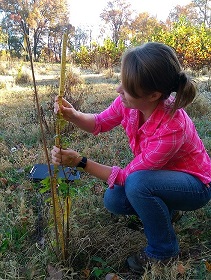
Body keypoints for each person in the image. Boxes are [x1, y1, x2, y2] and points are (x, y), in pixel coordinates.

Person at [51, 42, 211, 274]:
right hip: (161, 178)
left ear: (154, 95)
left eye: (126, 88)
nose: (118, 90)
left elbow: (129, 176)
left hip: (195, 186)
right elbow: (99, 122)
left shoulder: (172, 127)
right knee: (114, 200)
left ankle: (163, 251)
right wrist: (73, 115)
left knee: (137, 185)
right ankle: (165, 211)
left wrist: (80, 162)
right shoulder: (130, 104)